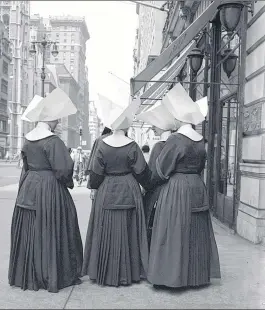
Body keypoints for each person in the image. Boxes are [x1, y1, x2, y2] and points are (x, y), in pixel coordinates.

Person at [8, 88, 83, 293]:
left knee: (30, 229)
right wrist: (68, 182)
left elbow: (25, 166)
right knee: (54, 227)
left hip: (29, 186)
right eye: (57, 120)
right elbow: (63, 170)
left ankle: (28, 272)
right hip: (50, 190)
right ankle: (51, 272)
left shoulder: (28, 138)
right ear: (50, 120)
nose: (58, 123)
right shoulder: (53, 141)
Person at [147, 83, 220, 289]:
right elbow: (202, 164)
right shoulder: (199, 140)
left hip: (177, 188)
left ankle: (171, 276)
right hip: (197, 185)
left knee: (173, 229)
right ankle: (195, 276)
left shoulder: (176, 139)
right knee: (195, 230)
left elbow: (162, 169)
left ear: (178, 119)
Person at [82, 97, 151, 287]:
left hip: (107, 188)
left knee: (105, 229)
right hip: (129, 188)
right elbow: (142, 172)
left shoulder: (102, 145)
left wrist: (95, 187)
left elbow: (95, 174)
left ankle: (104, 271)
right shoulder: (132, 145)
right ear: (126, 126)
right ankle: (129, 272)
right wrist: (147, 186)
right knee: (130, 229)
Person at [136, 102, 173, 249]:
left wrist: (145, 188)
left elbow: (151, 174)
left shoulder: (159, 146)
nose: (152, 128)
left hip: (158, 193)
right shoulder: (174, 142)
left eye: (155, 125)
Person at [86, 126, 112, 201]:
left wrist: (93, 188)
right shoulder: (127, 140)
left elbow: (94, 164)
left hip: (102, 181)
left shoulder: (100, 140)